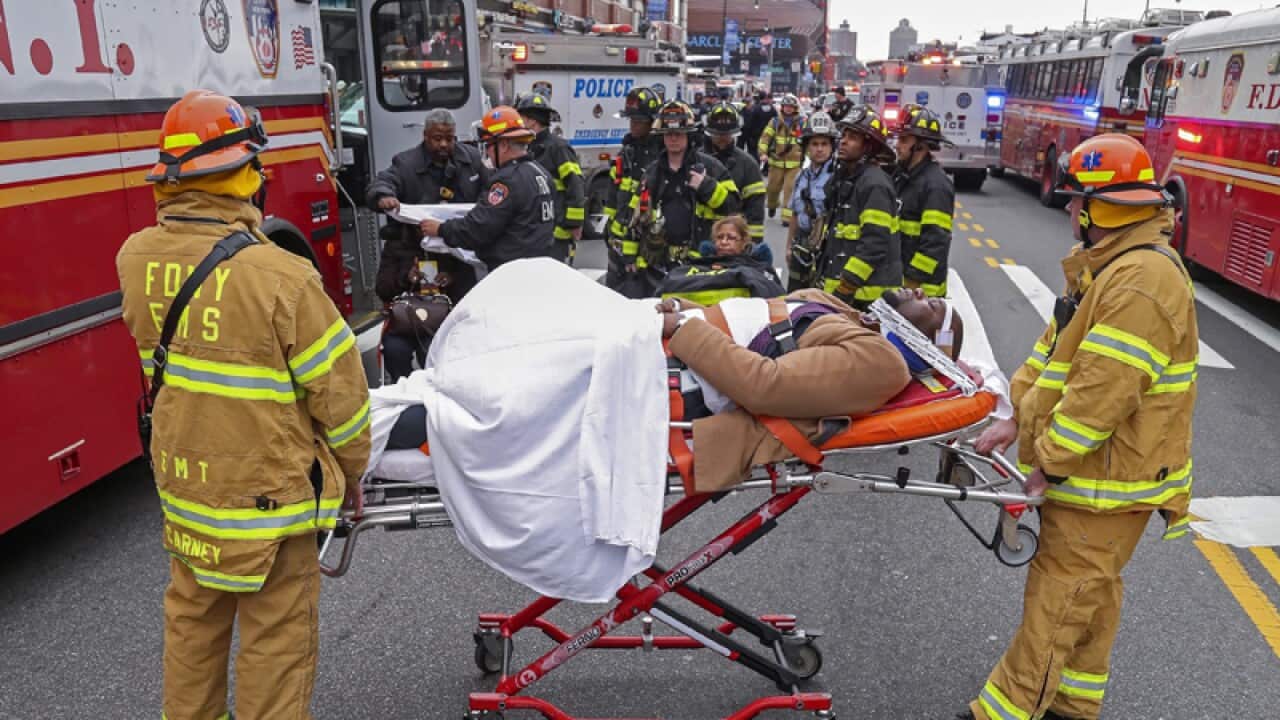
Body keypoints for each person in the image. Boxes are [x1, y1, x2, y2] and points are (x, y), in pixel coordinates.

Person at [116, 90, 371, 720]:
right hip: (271, 503)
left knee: (192, 631)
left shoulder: (135, 258)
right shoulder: (282, 276)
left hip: (187, 492)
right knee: (274, 644)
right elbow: (342, 399)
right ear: (245, 176)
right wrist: (354, 477)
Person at [959, 134, 1199, 720]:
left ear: (1099, 208)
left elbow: (1099, 396)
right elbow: (1053, 355)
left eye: (1076, 201)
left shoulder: (1139, 281)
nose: (1067, 210)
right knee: (1091, 592)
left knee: (1060, 599)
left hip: (1106, 484)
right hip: (1100, 474)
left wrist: (1046, 464)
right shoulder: (1107, 265)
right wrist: (1014, 417)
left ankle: (1004, 713)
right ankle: (1074, 704)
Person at [367, 108, 488, 380]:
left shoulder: (472, 162)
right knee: (398, 350)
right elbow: (382, 183)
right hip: (412, 259)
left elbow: (491, 193)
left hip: (456, 253)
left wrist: (453, 277)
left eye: (449, 138)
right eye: (437, 139)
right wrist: (384, 197)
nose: (444, 145)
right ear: (425, 137)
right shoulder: (406, 163)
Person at [619, 100, 740, 297]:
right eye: (668, 134)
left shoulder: (712, 168)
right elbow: (636, 220)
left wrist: (706, 187)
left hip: (700, 264)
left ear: (689, 135)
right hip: (657, 265)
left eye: (678, 134)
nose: (673, 138)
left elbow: (733, 208)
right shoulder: (652, 174)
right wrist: (629, 257)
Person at [418, 106, 555, 270]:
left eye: (489, 145)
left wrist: (440, 229)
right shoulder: (541, 172)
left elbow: (478, 229)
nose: (488, 152)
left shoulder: (505, 181)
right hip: (539, 265)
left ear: (503, 145)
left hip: (510, 271)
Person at [816, 106, 902, 309]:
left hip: (866, 297)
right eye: (843, 135)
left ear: (869, 147)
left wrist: (847, 286)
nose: (843, 141)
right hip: (845, 293)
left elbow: (875, 243)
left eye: (853, 137)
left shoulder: (875, 184)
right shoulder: (848, 178)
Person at [605, 86, 666, 292]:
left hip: (646, 248)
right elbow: (614, 194)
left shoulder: (660, 156)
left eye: (638, 121)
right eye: (631, 120)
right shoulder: (628, 151)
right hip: (618, 245)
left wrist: (632, 251)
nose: (633, 126)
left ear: (652, 123)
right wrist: (610, 228)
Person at [516, 91, 586, 264]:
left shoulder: (558, 148)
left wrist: (574, 223)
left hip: (557, 233)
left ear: (532, 120)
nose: (518, 122)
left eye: (521, 117)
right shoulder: (527, 147)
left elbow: (575, 184)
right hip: (534, 231)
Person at [894, 106, 955, 297]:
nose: (897, 145)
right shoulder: (904, 177)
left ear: (920, 146)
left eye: (904, 140)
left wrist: (912, 282)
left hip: (923, 294)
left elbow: (936, 241)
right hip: (903, 285)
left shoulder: (935, 185)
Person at [787, 111, 839, 289]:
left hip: (826, 250)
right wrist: (788, 247)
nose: (819, 149)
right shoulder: (801, 177)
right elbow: (795, 213)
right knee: (795, 299)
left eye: (824, 144)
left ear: (832, 147)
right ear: (807, 147)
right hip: (801, 246)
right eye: (815, 144)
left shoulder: (838, 179)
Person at [704, 101, 767, 243]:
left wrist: (752, 246)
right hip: (700, 239)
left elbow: (755, 211)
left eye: (726, 133)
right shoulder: (696, 160)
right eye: (718, 133)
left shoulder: (748, 164)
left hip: (733, 242)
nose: (722, 137)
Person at [757, 93, 805, 226]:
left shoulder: (802, 122)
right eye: (786, 106)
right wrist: (762, 153)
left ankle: (786, 218)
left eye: (791, 106)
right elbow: (765, 138)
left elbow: (807, 140)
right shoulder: (775, 122)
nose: (788, 109)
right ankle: (772, 206)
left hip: (794, 164)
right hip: (776, 162)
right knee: (772, 189)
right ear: (782, 107)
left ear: (795, 108)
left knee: (790, 190)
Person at [697, 214, 773, 264]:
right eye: (719, 237)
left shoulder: (757, 269)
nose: (724, 242)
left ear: (744, 241)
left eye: (731, 238)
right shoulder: (703, 266)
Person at [741, 91, 776, 168]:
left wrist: (748, 136)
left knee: (754, 152)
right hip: (769, 136)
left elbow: (749, 124)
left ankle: (755, 167)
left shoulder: (755, 109)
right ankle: (766, 168)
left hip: (755, 136)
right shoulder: (773, 109)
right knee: (768, 151)